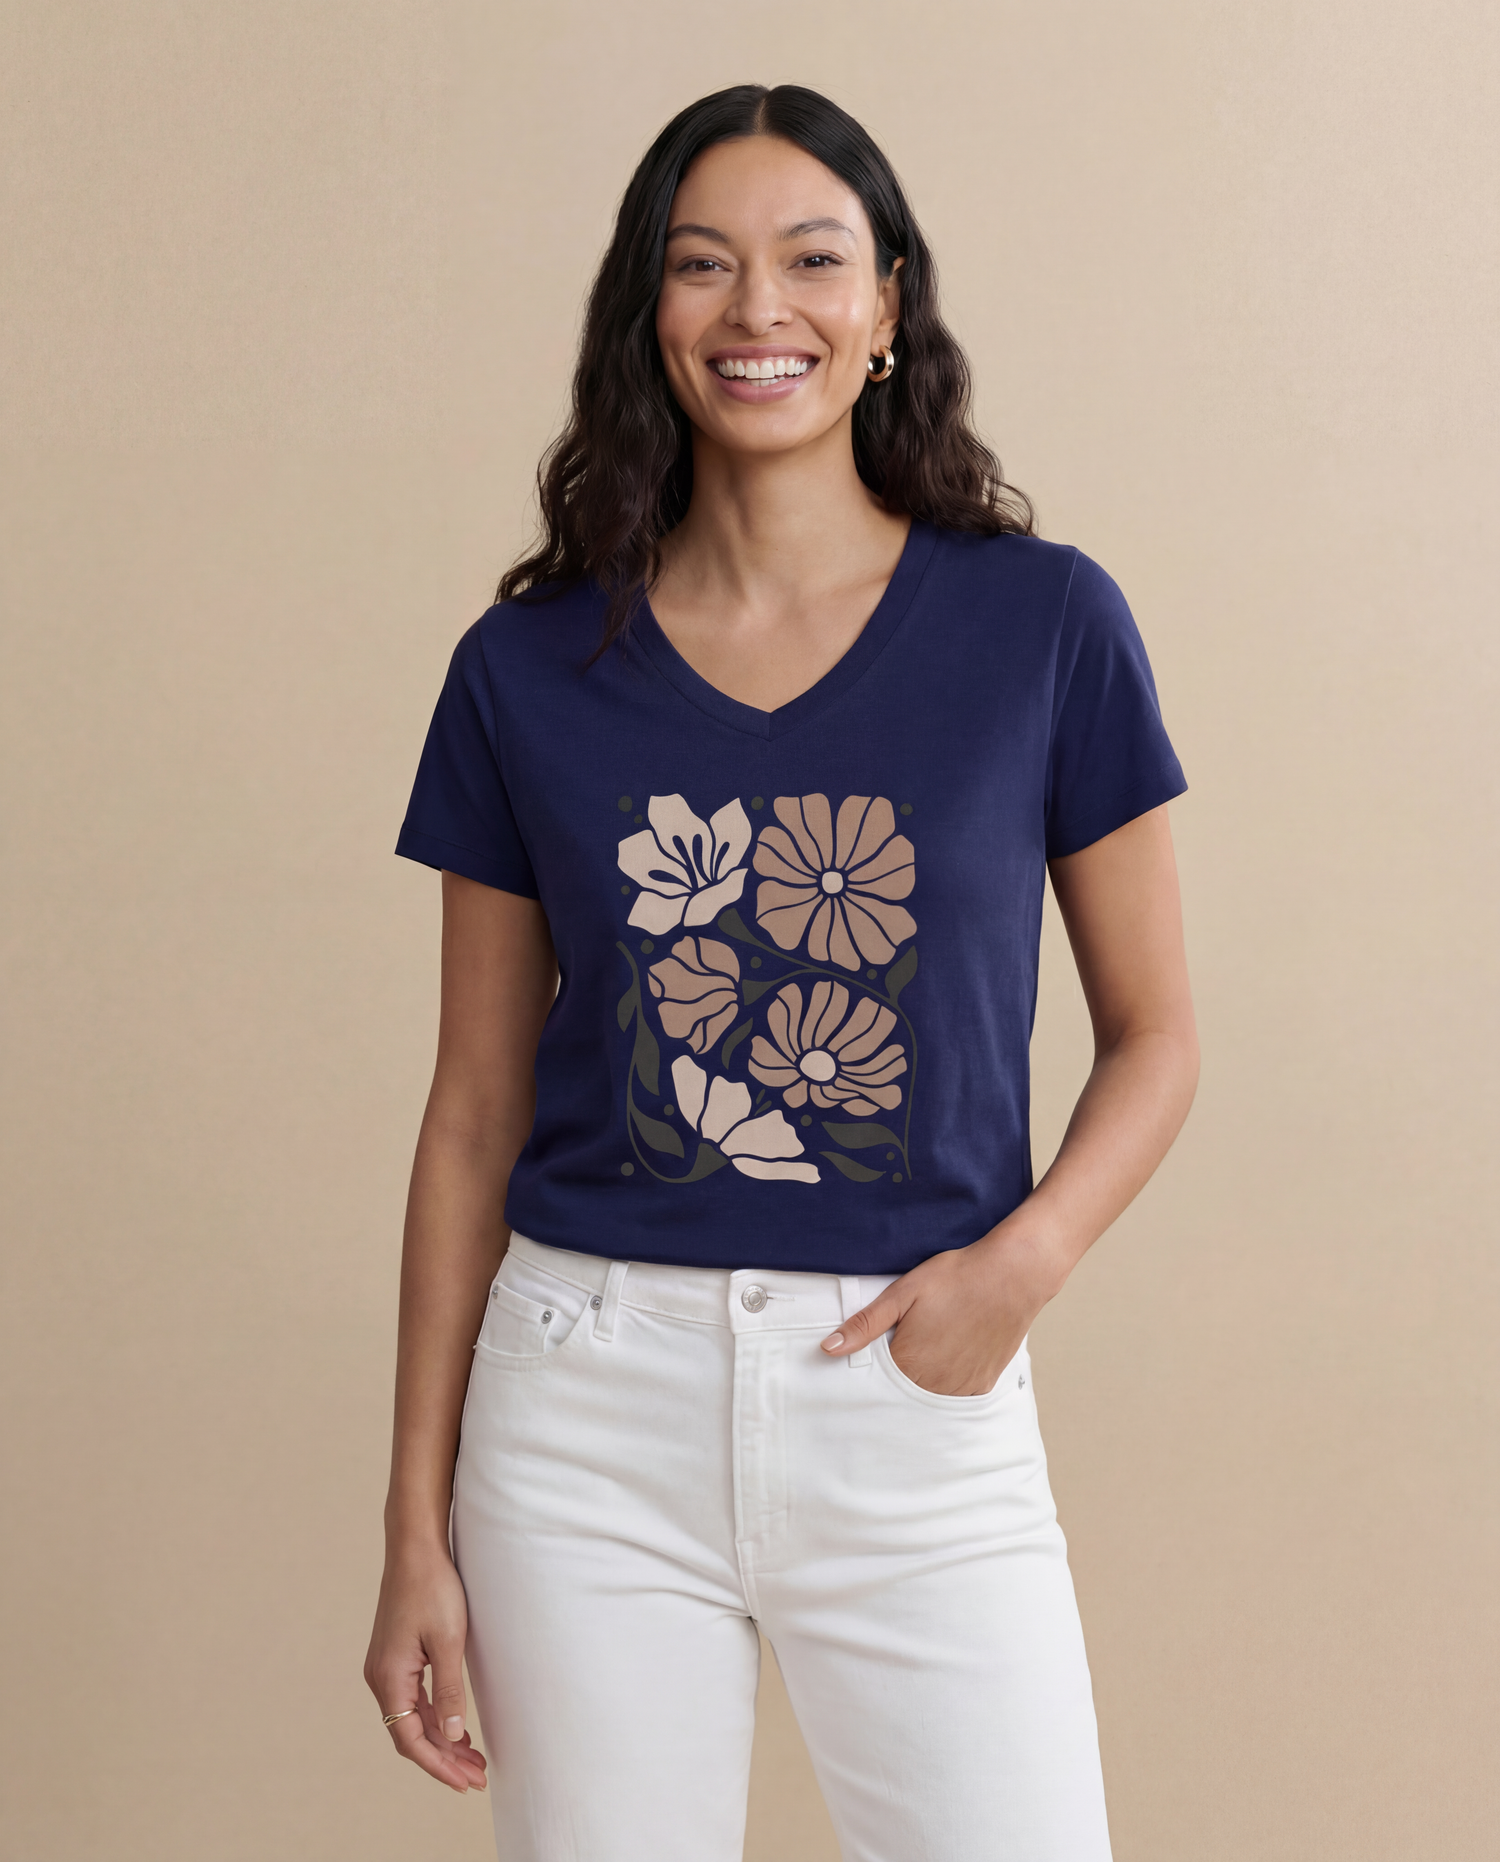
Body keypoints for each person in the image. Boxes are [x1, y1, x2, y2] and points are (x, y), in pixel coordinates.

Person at [363, 82, 1198, 1862]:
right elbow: (473, 1112)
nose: (761, 309)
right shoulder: (526, 667)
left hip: (913, 1392)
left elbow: (1157, 1035)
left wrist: (1020, 1267)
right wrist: (412, 1527)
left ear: (887, 305)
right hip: (584, 1408)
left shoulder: (1043, 624)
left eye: (814, 260)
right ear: (647, 313)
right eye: (704, 265)